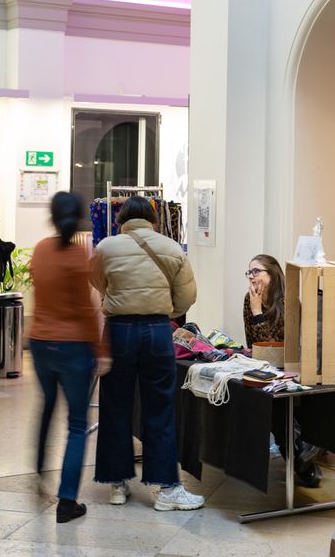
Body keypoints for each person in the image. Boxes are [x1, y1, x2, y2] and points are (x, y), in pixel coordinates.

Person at [91, 196, 203, 512]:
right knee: (160, 408)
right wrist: (164, 309)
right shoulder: (171, 248)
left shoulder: (106, 247)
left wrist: (116, 299)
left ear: (121, 219)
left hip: (118, 331)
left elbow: (97, 282)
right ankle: (167, 488)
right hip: (157, 330)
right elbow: (187, 296)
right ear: (153, 219)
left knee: (115, 406)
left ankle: (117, 484)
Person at [27, 192, 108, 524]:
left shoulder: (41, 250)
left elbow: (40, 292)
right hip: (74, 347)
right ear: (79, 220)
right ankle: (67, 501)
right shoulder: (79, 257)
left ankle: (37, 468)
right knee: (77, 425)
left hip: (40, 342)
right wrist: (102, 352)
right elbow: (86, 312)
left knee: (46, 405)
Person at [242, 254, 323, 488]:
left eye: (257, 271)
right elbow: (256, 344)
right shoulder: (249, 301)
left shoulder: (288, 303)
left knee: (280, 404)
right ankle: (301, 458)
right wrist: (256, 310)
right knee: (272, 404)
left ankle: (301, 456)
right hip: (263, 368)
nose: (251, 277)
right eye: (249, 272)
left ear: (272, 274)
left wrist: (259, 313)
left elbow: (277, 344)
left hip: (290, 368)